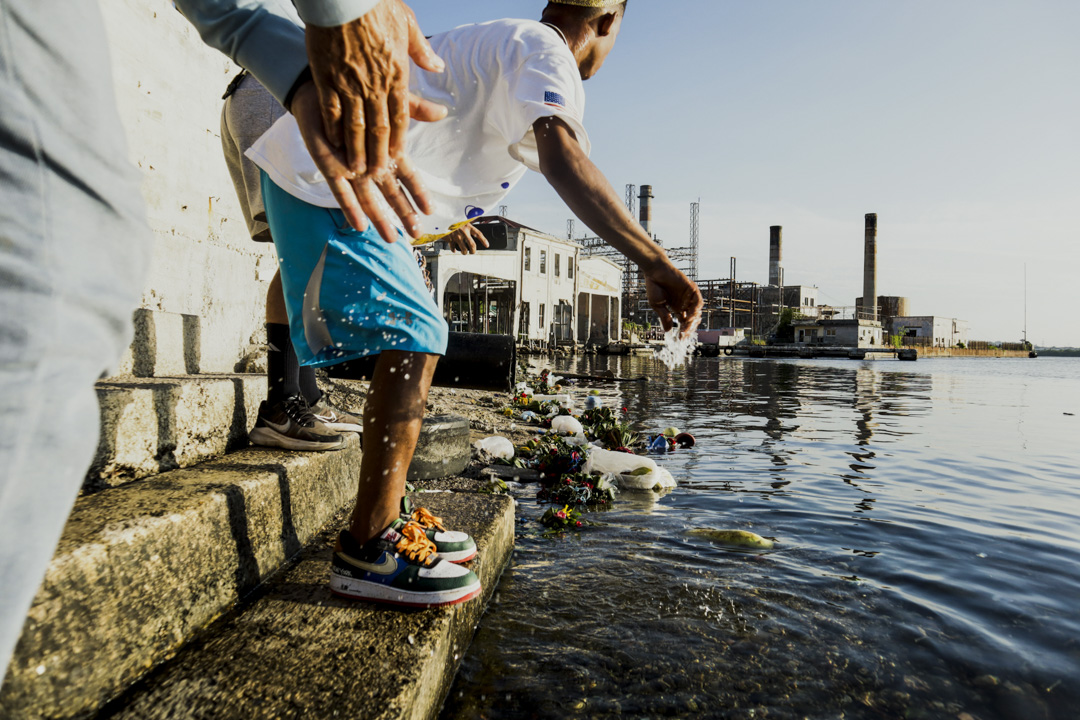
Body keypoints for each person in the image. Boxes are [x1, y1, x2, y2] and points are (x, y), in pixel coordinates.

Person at [0, 0, 445, 687]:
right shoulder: (535, 63)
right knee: (59, 268)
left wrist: (287, 54)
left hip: (274, 78)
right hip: (268, 90)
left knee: (89, 257)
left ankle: (290, 411)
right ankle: (362, 530)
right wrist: (336, 17)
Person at [244, 0, 703, 607]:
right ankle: (367, 546)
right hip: (328, 171)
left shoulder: (507, 44)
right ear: (609, 21)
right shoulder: (546, 50)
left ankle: (391, 513)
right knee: (418, 332)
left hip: (335, 165)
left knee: (418, 330)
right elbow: (563, 156)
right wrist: (654, 259)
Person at [222, 68, 363, 451]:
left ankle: (305, 398)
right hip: (277, 98)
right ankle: (280, 407)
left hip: (276, 97)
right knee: (304, 254)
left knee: (308, 256)